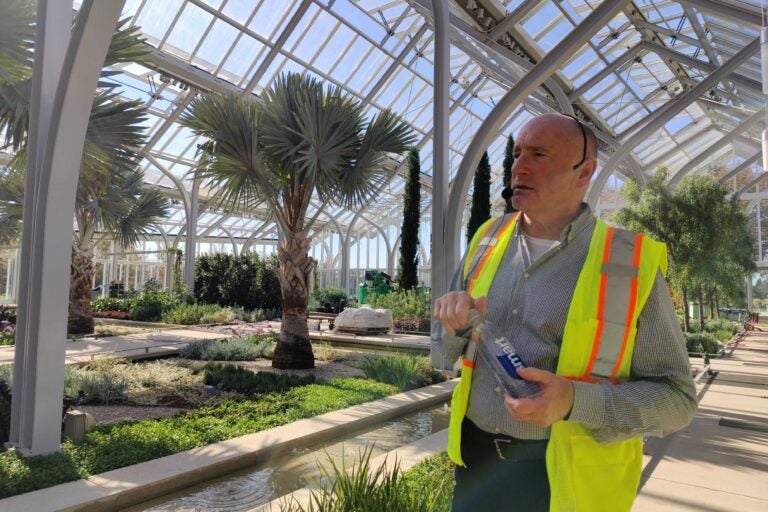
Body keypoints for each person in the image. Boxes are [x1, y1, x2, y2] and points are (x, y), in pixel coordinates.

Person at [433, 113, 697, 512]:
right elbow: (441, 354)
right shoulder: (487, 240)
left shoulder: (629, 264)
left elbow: (677, 399)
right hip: (474, 470)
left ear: (584, 172)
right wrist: (451, 325)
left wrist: (575, 400)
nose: (518, 166)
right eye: (518, 152)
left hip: (562, 486)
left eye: (539, 154)